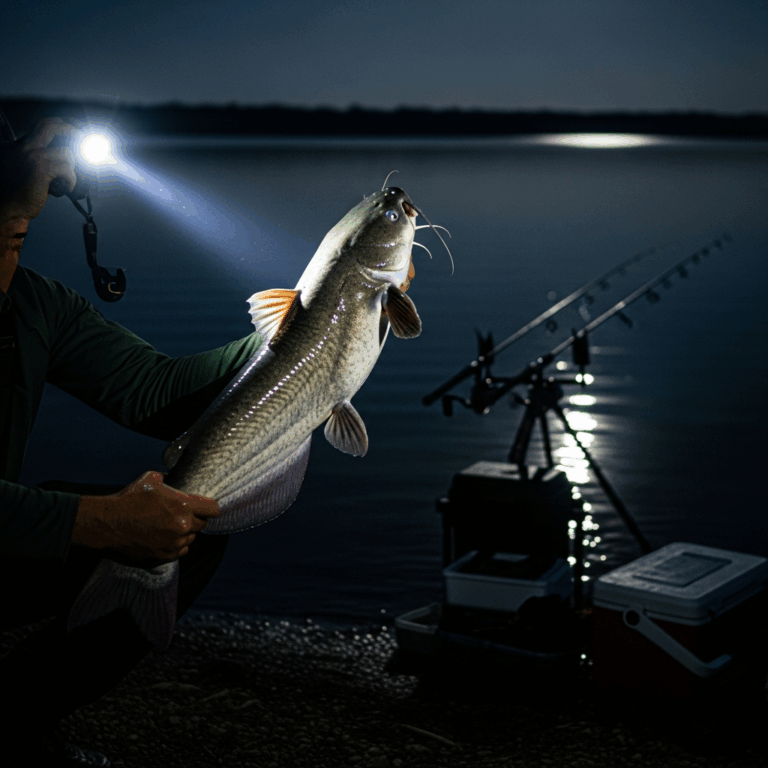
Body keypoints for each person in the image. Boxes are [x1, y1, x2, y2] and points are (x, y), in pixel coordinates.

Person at [0, 112, 263, 767]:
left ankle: (10, 719)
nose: (6, 263)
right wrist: (99, 521)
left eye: (15, 240)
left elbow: (158, 391)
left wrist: (302, 333)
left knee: (183, 535)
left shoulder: (36, 305)